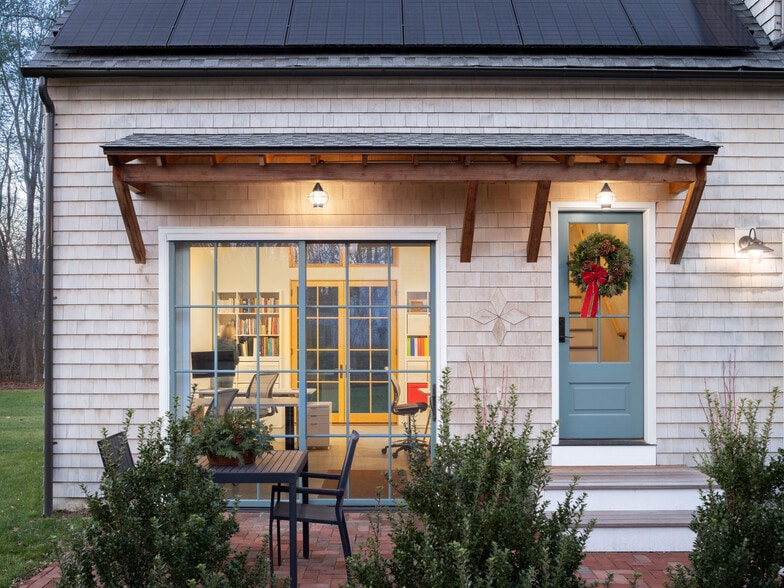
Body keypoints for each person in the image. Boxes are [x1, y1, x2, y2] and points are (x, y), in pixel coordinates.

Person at [216, 323, 239, 388]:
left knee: (217, 395)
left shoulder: (216, 343)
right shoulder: (233, 343)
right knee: (227, 394)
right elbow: (236, 360)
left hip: (217, 373)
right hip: (228, 373)